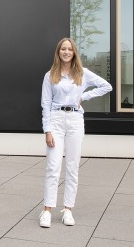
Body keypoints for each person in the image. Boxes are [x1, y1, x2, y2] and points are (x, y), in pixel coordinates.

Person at [40, 37, 111, 228]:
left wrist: (84, 96)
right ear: (58, 52)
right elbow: (45, 105)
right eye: (63, 49)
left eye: (69, 49)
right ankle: (47, 210)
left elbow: (106, 86)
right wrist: (47, 130)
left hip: (75, 121)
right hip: (55, 120)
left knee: (72, 167)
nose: (66, 52)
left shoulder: (82, 73)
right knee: (53, 167)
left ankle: (68, 209)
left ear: (74, 52)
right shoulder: (50, 75)